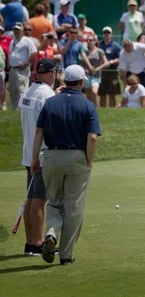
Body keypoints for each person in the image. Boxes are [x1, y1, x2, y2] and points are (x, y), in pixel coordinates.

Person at [31, 64, 101, 265]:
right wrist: (89, 160)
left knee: (53, 201)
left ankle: (51, 233)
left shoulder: (51, 102)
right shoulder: (88, 105)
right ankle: (66, 255)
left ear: (64, 81)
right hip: (77, 158)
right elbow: (93, 137)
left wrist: (35, 159)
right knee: (74, 207)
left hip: (51, 157)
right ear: (81, 82)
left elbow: (39, 132)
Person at [19, 59, 60, 256]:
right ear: (51, 73)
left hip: (29, 152)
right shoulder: (47, 94)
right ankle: (37, 243)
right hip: (41, 154)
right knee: (39, 199)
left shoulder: (28, 91)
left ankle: (30, 242)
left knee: (30, 199)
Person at [8, 23, 37, 109]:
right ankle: (14, 108)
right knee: (13, 90)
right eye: (15, 30)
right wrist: (9, 64)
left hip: (22, 69)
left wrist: (26, 63)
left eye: (18, 30)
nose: (16, 32)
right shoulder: (12, 41)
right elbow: (10, 54)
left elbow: (34, 52)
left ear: (22, 31)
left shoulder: (27, 40)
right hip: (13, 69)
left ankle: (23, 108)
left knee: (22, 89)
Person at [83, 34, 109, 106]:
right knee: (88, 96)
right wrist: (85, 70)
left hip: (96, 76)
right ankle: (90, 110)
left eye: (90, 40)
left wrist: (97, 69)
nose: (88, 41)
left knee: (94, 92)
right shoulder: (85, 52)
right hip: (87, 76)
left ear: (95, 41)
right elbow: (82, 64)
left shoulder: (99, 51)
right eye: (87, 40)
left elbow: (106, 63)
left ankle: (96, 109)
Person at [98, 27, 121, 108]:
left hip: (112, 72)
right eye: (105, 32)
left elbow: (119, 58)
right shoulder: (99, 45)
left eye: (108, 32)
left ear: (111, 34)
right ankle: (103, 109)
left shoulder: (116, 46)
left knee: (112, 93)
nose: (106, 34)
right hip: (102, 72)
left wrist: (110, 62)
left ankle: (112, 109)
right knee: (102, 93)